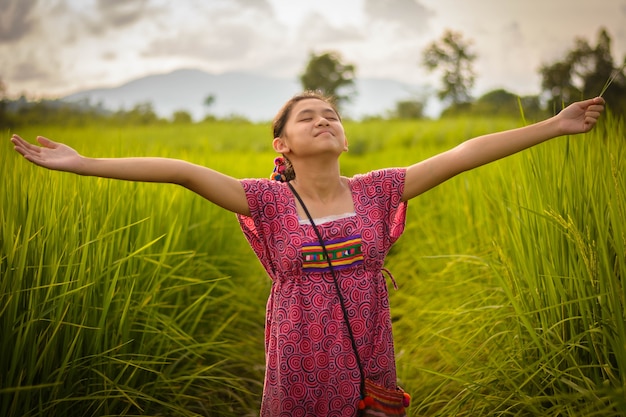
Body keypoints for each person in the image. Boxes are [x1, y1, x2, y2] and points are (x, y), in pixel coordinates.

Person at [10, 92, 605, 416]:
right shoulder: (265, 201)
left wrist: (554, 124)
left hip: (368, 342)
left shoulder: (378, 190)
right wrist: (82, 163)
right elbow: (181, 172)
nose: (325, 120)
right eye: (308, 116)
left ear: (343, 137)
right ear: (282, 144)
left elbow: (463, 153)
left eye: (332, 115)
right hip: (298, 353)